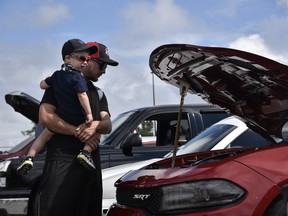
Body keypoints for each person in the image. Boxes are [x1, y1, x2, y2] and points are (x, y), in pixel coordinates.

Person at [28, 41, 119, 216]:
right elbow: (45, 117)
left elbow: (107, 125)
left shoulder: (98, 93)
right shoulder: (58, 85)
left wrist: (95, 126)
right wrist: (79, 132)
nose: (104, 70)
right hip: (62, 160)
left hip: (90, 164)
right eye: (102, 64)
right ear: (87, 61)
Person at [17, 39, 98, 174]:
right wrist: (89, 114)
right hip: (77, 117)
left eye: (88, 59)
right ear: (67, 58)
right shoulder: (78, 77)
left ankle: (30, 157)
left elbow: (42, 85)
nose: (85, 62)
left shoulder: (56, 75)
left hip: (61, 115)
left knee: (45, 134)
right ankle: (85, 153)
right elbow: (82, 95)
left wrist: (49, 82)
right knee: (95, 134)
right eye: (82, 58)